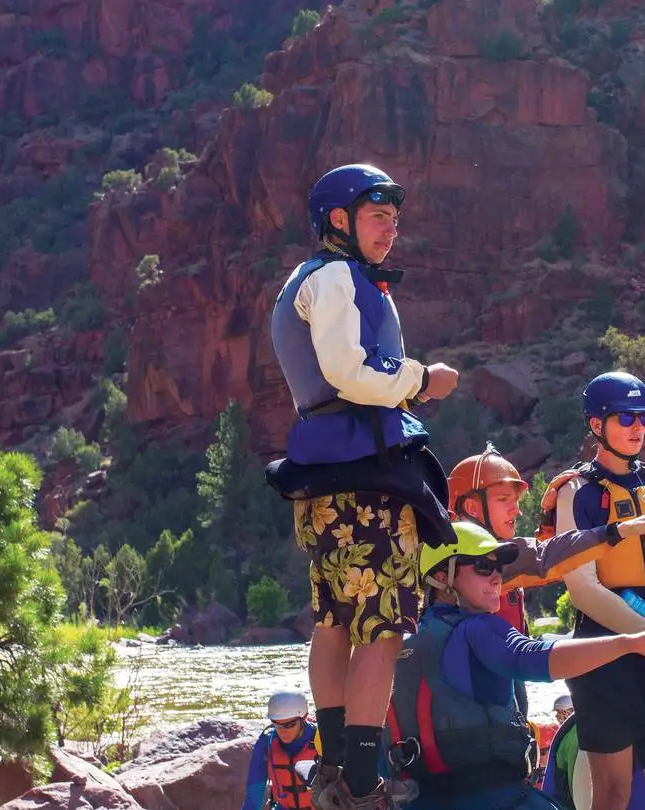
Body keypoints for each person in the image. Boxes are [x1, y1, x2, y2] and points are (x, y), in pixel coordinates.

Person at [267, 163, 460, 810]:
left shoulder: (321, 279)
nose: (391, 229)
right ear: (338, 220)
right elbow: (349, 372)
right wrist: (420, 379)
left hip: (331, 481)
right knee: (380, 628)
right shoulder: (335, 278)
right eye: (378, 216)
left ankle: (335, 771)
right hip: (364, 484)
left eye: (395, 219)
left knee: (335, 622)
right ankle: (359, 781)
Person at [383, 522, 645, 810]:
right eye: (482, 566)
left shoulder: (399, 644)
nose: (497, 576)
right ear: (441, 577)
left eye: (499, 567)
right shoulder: (478, 629)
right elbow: (530, 657)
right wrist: (630, 643)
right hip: (497, 800)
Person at [543, 371, 645, 810]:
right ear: (597, 425)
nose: (638, 428)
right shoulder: (576, 492)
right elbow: (583, 590)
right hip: (604, 654)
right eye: (626, 418)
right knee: (612, 792)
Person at [447, 443, 645, 717]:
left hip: (502, 685)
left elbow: (543, 559)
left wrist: (550, 522)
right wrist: (620, 530)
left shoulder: (492, 555)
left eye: (516, 502)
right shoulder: (464, 557)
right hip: (473, 697)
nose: (516, 511)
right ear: (473, 507)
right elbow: (544, 560)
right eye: (504, 500)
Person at [241, 691, 320, 810]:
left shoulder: (322, 738)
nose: (282, 731)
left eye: (289, 725)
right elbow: (254, 795)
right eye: (276, 724)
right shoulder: (267, 741)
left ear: (303, 718)